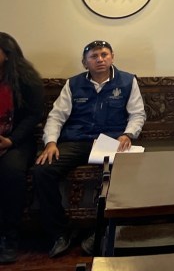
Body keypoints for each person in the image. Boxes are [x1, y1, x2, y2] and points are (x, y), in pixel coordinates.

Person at [32, 40, 145, 258]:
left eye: (104, 54)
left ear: (112, 57)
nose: (100, 59)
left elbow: (137, 114)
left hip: (110, 141)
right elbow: (56, 116)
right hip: (77, 141)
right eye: (94, 56)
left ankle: (101, 232)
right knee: (42, 171)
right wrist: (51, 142)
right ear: (85, 62)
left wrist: (128, 134)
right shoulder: (73, 84)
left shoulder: (127, 81)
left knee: (123, 174)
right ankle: (59, 232)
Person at [0, 34, 44, 265]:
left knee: (11, 172)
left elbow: (34, 115)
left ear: (7, 54)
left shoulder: (25, 80)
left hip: (17, 141)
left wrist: (11, 141)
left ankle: (10, 237)